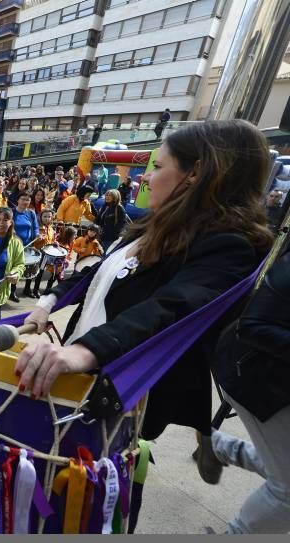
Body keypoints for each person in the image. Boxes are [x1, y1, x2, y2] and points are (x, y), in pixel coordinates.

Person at [15, 120, 274, 464]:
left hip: (118, 393)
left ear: (195, 173)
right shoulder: (155, 224)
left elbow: (170, 307)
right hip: (85, 373)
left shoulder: (227, 248)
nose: (146, 177)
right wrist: (47, 303)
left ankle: (213, 447)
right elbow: (97, 272)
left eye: (158, 166)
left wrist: (86, 351)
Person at [209, 238, 290, 533]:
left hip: (275, 381)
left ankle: (216, 445)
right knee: (288, 492)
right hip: (253, 376)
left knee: (283, 465)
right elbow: (253, 326)